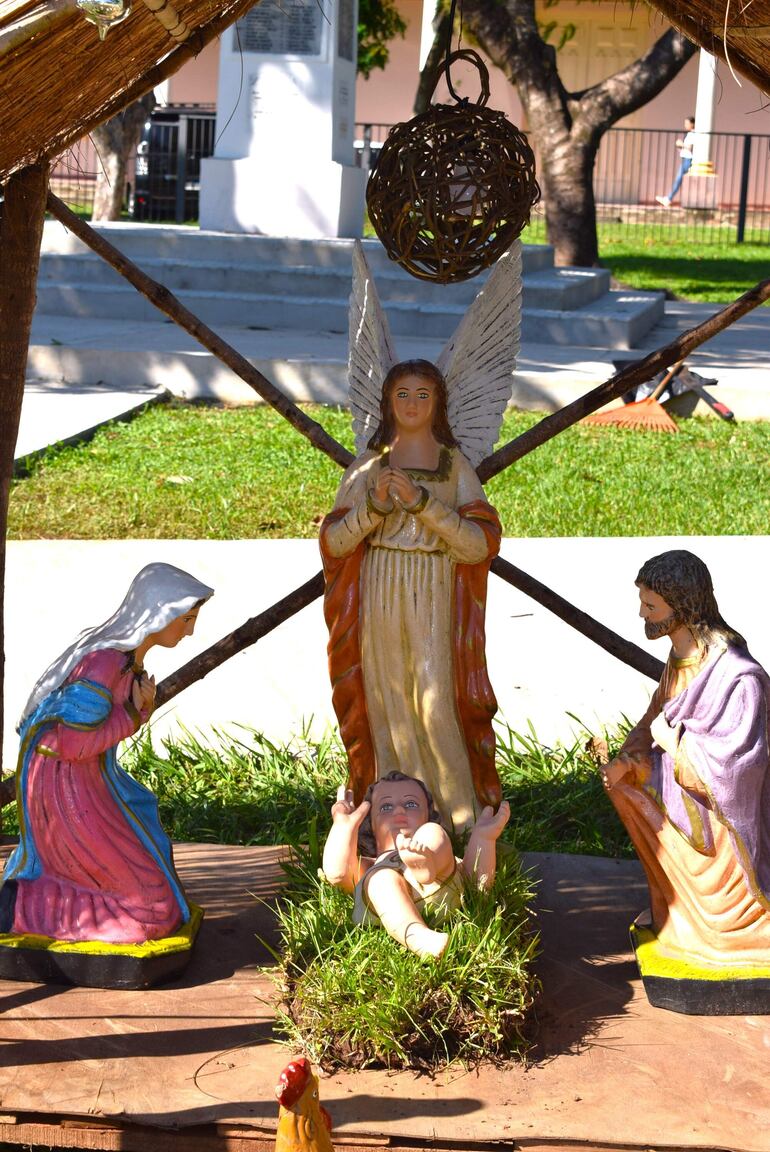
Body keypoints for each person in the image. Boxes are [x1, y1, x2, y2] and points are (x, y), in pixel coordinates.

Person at [319, 359, 502, 835]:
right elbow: (336, 543)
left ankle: (458, 817)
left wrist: (424, 506)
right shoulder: (368, 467)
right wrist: (375, 507)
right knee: (385, 697)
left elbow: (479, 544)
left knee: (436, 697)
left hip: (435, 593)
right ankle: (387, 814)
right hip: (378, 593)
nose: (413, 405)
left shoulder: (453, 467)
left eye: (423, 395)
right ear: (386, 402)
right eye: (403, 394)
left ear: (439, 403)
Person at [0, 562, 214, 946]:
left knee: (158, 906)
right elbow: (63, 743)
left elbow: (107, 725)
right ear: (160, 613)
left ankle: (25, 900)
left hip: (90, 782)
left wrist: (137, 711)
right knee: (150, 915)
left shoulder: (126, 661)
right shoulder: (103, 665)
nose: (190, 631)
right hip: (64, 790)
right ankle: (20, 907)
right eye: (185, 620)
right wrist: (132, 716)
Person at [601, 550, 770, 964]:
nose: (641, 613)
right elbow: (657, 712)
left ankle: (733, 927)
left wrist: (672, 744)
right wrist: (629, 756)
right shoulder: (681, 654)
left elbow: (736, 768)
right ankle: (681, 911)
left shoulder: (738, 676)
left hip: (720, 810)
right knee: (623, 786)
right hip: (683, 783)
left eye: (651, 605)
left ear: (683, 605)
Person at [322, 771, 510, 958]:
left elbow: (477, 883)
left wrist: (483, 839)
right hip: (389, 906)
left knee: (433, 833)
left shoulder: (435, 840)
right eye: (386, 807)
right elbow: (337, 874)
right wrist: (342, 827)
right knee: (379, 879)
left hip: (441, 878)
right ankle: (417, 936)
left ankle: (425, 864)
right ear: (370, 824)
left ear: (428, 814)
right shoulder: (370, 865)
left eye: (411, 804)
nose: (399, 811)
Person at [655, 116, 695, 207]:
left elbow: (691, 147)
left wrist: (682, 144)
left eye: (687, 123)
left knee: (681, 180)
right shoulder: (689, 134)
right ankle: (669, 198)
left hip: (688, 160)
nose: (685, 125)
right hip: (685, 158)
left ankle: (669, 198)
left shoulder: (694, 134)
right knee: (679, 180)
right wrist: (680, 147)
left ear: (692, 124)